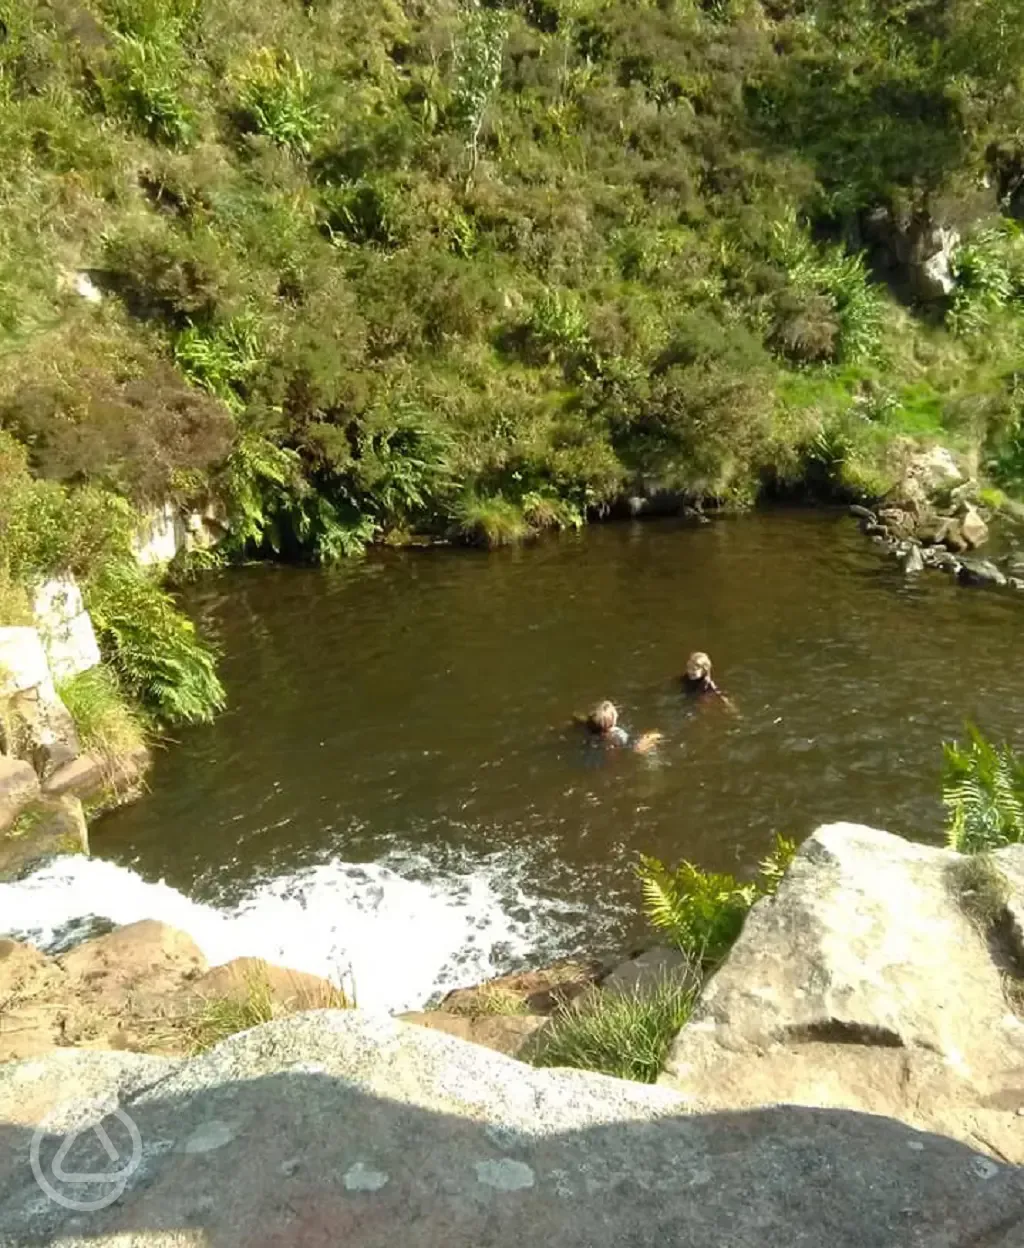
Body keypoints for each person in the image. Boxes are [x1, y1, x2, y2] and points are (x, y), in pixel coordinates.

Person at [578, 700, 662, 754]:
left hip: (600, 745)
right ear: (614, 720)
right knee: (655, 735)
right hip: (623, 747)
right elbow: (631, 745)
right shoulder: (618, 733)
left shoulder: (589, 729)